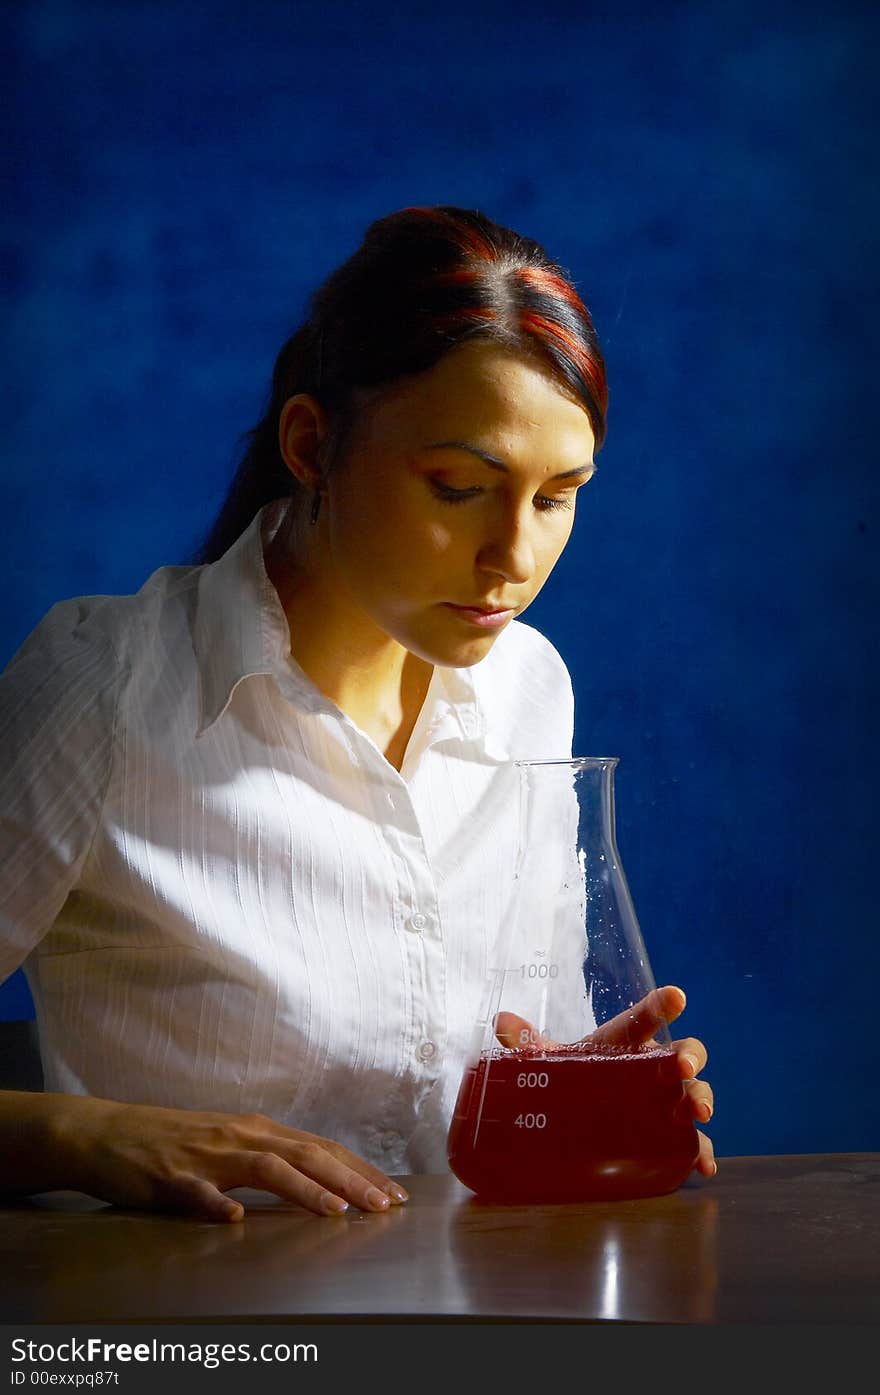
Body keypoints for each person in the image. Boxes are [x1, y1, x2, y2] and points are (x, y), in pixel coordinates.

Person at [0, 205, 715, 1222]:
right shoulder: (105, 684)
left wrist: (579, 1087)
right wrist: (84, 1135)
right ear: (309, 443)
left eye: (556, 496)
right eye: (460, 487)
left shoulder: (527, 687)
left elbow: (527, 1057)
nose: (513, 559)